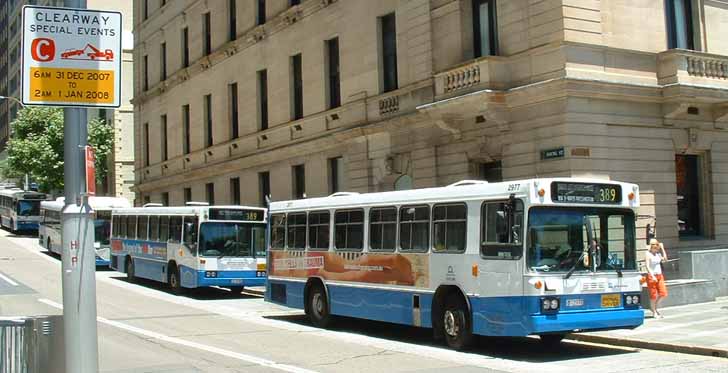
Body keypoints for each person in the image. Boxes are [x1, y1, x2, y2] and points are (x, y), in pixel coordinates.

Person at [645, 238, 668, 318]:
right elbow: (647, 266)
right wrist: (652, 275)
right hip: (652, 276)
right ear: (651, 247)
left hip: (659, 275)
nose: (655, 248)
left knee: (663, 293)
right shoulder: (648, 254)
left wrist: (662, 249)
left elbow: (665, 259)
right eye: (654, 247)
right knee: (653, 295)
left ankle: (655, 307)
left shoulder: (658, 254)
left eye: (657, 247)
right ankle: (654, 311)